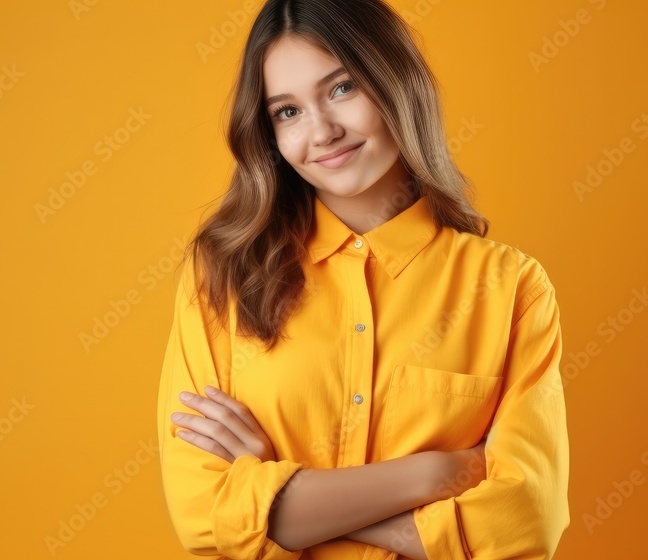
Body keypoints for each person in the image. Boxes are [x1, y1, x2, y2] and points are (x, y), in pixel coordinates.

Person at [156, 0, 571, 558]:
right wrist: (431, 475)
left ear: (396, 82)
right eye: (287, 111)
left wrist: (278, 493)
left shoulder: (509, 286)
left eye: (342, 88)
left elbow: (525, 525)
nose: (322, 131)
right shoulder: (224, 274)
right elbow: (202, 514)